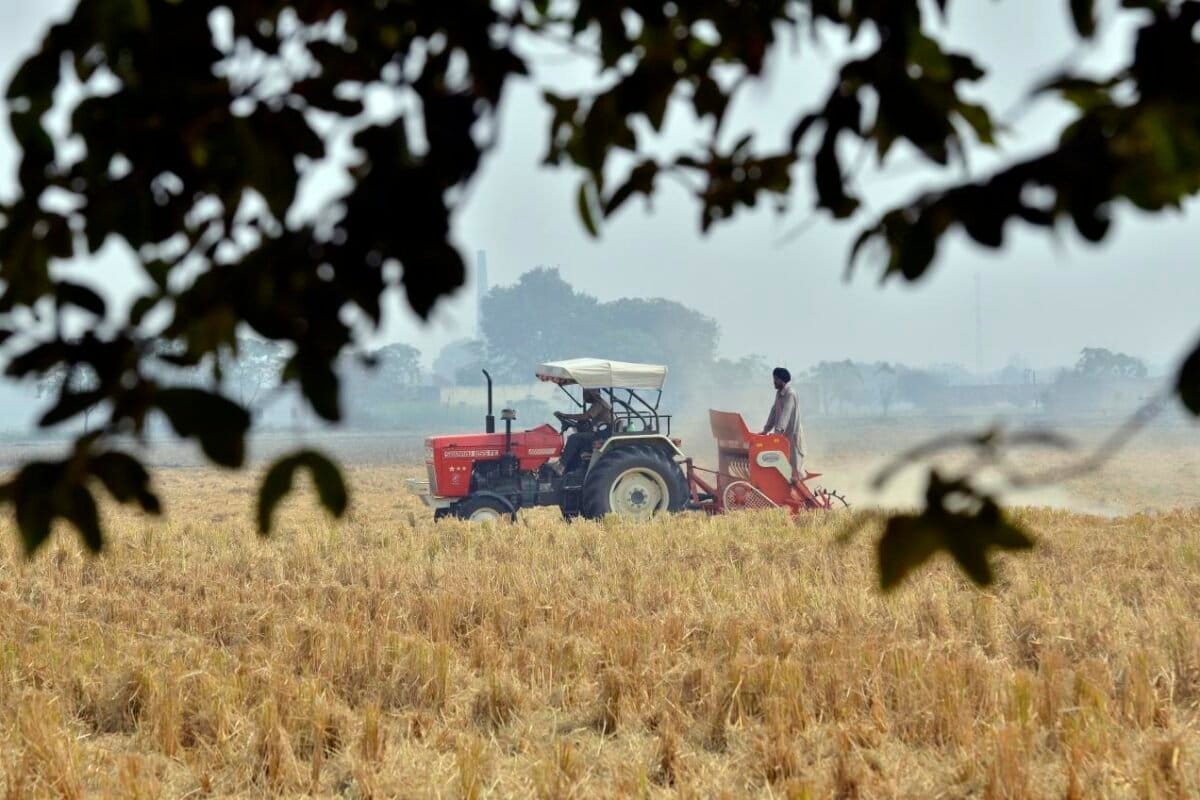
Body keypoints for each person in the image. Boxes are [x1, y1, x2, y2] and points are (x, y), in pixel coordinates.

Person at [553, 389, 614, 472]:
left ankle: (562, 465)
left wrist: (566, 415)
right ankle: (572, 468)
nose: (584, 396)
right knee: (580, 431)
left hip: (602, 436)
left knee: (573, 438)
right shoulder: (599, 404)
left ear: (591, 393)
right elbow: (585, 419)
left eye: (585, 393)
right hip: (599, 433)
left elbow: (585, 416)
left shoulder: (599, 404)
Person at [762, 367, 807, 480]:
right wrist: (766, 430)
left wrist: (777, 433)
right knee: (784, 463)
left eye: (775, 379)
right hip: (783, 435)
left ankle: (800, 491)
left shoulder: (790, 394)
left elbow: (785, 414)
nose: (774, 382)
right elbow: (774, 412)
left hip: (792, 433)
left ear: (782, 380)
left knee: (795, 466)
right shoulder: (778, 394)